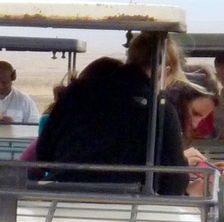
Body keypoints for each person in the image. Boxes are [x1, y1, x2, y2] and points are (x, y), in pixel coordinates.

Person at [36, 44, 188, 196]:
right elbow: (174, 180)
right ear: (164, 71)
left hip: (62, 196)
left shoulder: (76, 92)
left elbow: (44, 154)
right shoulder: (160, 109)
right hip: (128, 204)